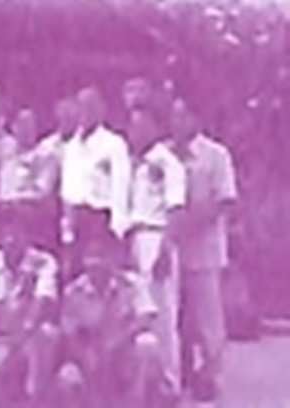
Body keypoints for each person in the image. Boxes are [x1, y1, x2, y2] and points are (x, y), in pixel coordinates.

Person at [169, 98, 237, 403]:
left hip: (205, 250)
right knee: (175, 319)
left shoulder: (215, 155)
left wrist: (191, 221)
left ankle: (211, 377)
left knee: (208, 321)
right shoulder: (164, 154)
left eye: (183, 116)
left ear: (196, 118)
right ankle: (179, 374)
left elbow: (225, 201)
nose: (177, 122)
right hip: (172, 252)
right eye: (173, 116)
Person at [125, 96, 187, 397]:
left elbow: (176, 208)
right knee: (138, 312)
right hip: (134, 237)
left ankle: (169, 383)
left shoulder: (167, 162)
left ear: (154, 126)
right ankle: (144, 383)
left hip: (156, 235)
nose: (133, 132)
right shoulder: (133, 162)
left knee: (162, 314)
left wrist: (165, 247)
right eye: (131, 126)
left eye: (140, 126)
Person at [58, 240, 163, 408]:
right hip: (92, 358)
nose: (96, 263)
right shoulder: (73, 291)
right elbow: (69, 332)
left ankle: (136, 402)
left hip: (124, 354)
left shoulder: (132, 283)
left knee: (147, 344)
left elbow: (146, 316)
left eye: (102, 256)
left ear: (113, 259)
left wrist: (119, 339)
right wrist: (84, 354)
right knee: (67, 376)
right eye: (91, 257)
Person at [0, 227, 60, 405]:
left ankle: (35, 398)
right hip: (3, 337)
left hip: (33, 336)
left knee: (44, 338)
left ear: (27, 237)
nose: (12, 240)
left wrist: (25, 330)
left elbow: (42, 304)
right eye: (7, 235)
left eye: (17, 234)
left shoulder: (44, 262)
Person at [61, 87, 132, 270]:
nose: (86, 111)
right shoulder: (70, 147)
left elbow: (121, 188)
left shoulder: (114, 144)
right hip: (76, 221)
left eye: (91, 106)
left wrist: (118, 230)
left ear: (102, 110)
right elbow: (67, 191)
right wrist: (67, 233)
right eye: (82, 106)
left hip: (101, 220)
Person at [0, 108, 61, 252]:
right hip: (4, 221)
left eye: (31, 124)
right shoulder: (6, 156)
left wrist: (13, 199)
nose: (27, 129)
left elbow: (43, 192)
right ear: (13, 127)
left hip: (34, 221)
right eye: (22, 124)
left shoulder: (46, 156)